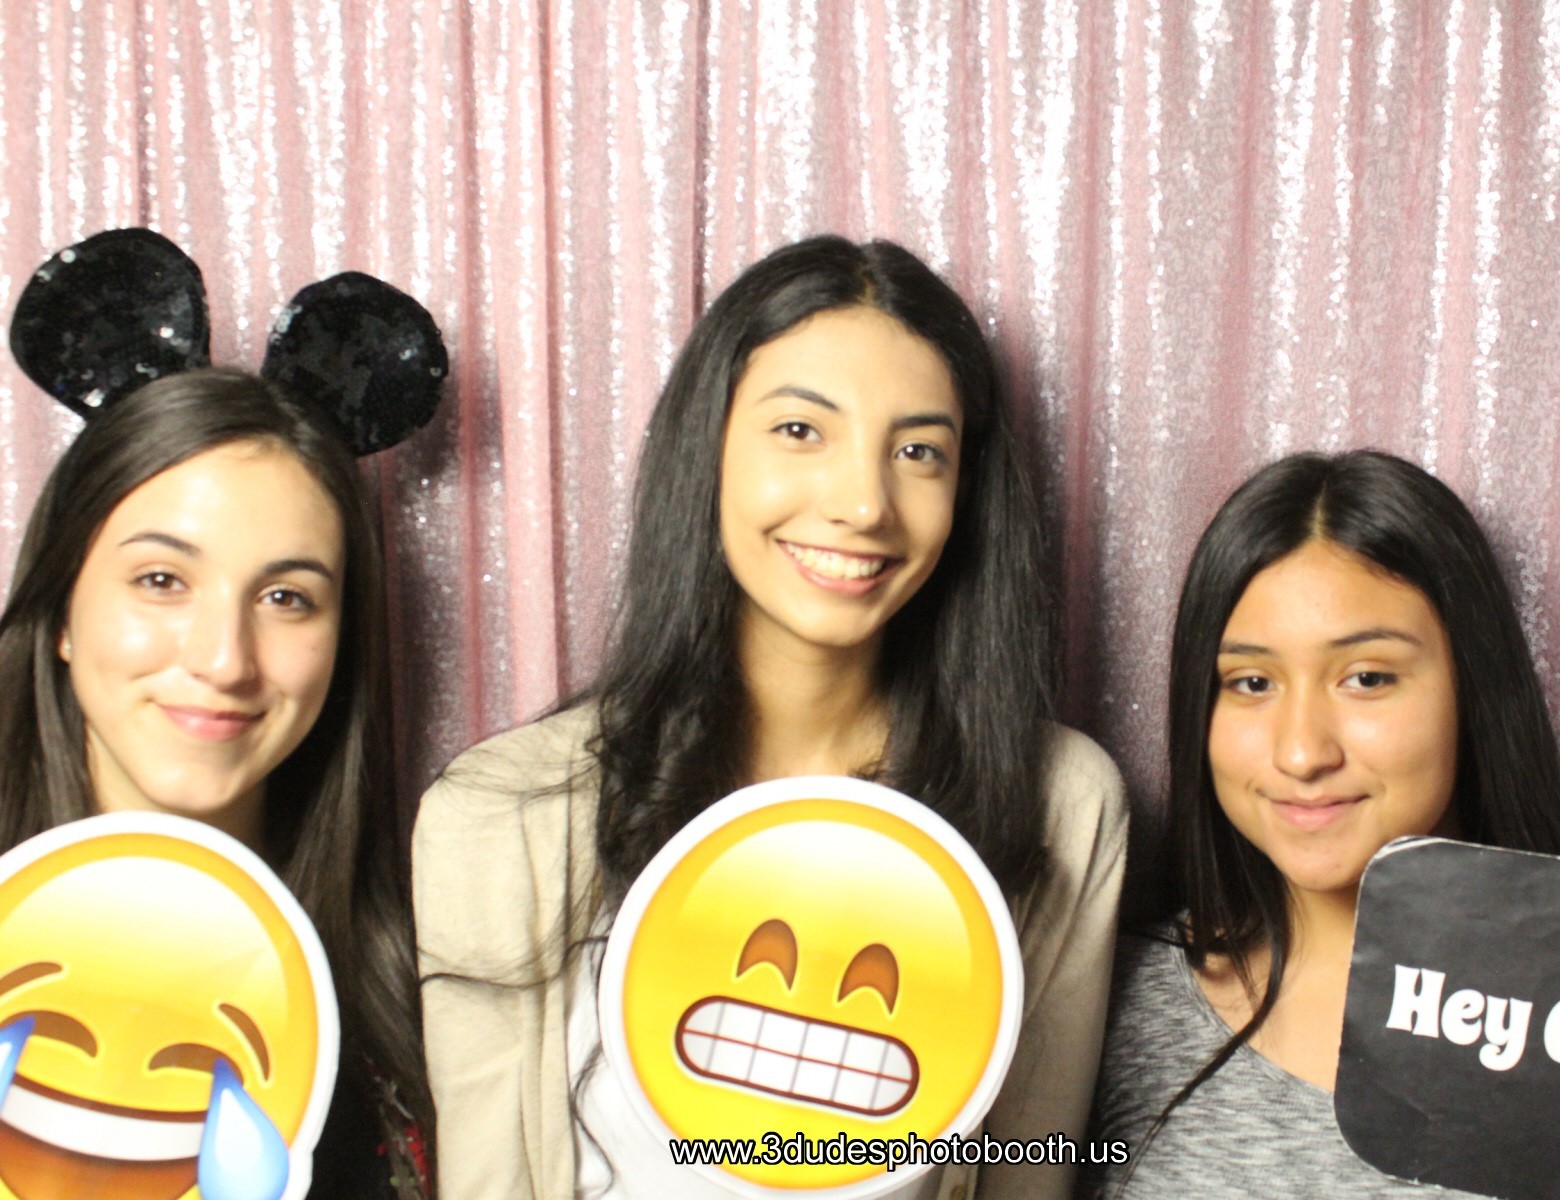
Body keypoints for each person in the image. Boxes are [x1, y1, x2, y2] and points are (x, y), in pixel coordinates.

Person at [415, 235, 1127, 1199]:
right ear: (706, 449)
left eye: (919, 451)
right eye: (800, 430)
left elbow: (1027, 1171)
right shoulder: (500, 815)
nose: (864, 504)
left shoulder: (1061, 803)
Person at [1083, 449, 1560, 1197]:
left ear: (1472, 689)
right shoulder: (1110, 1007)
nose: (1301, 751)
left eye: (1367, 678)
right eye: (1252, 682)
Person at [0, 370, 432, 1197]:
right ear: (61, 609)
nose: (225, 659)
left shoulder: (419, 984)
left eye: (286, 597)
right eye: (161, 581)